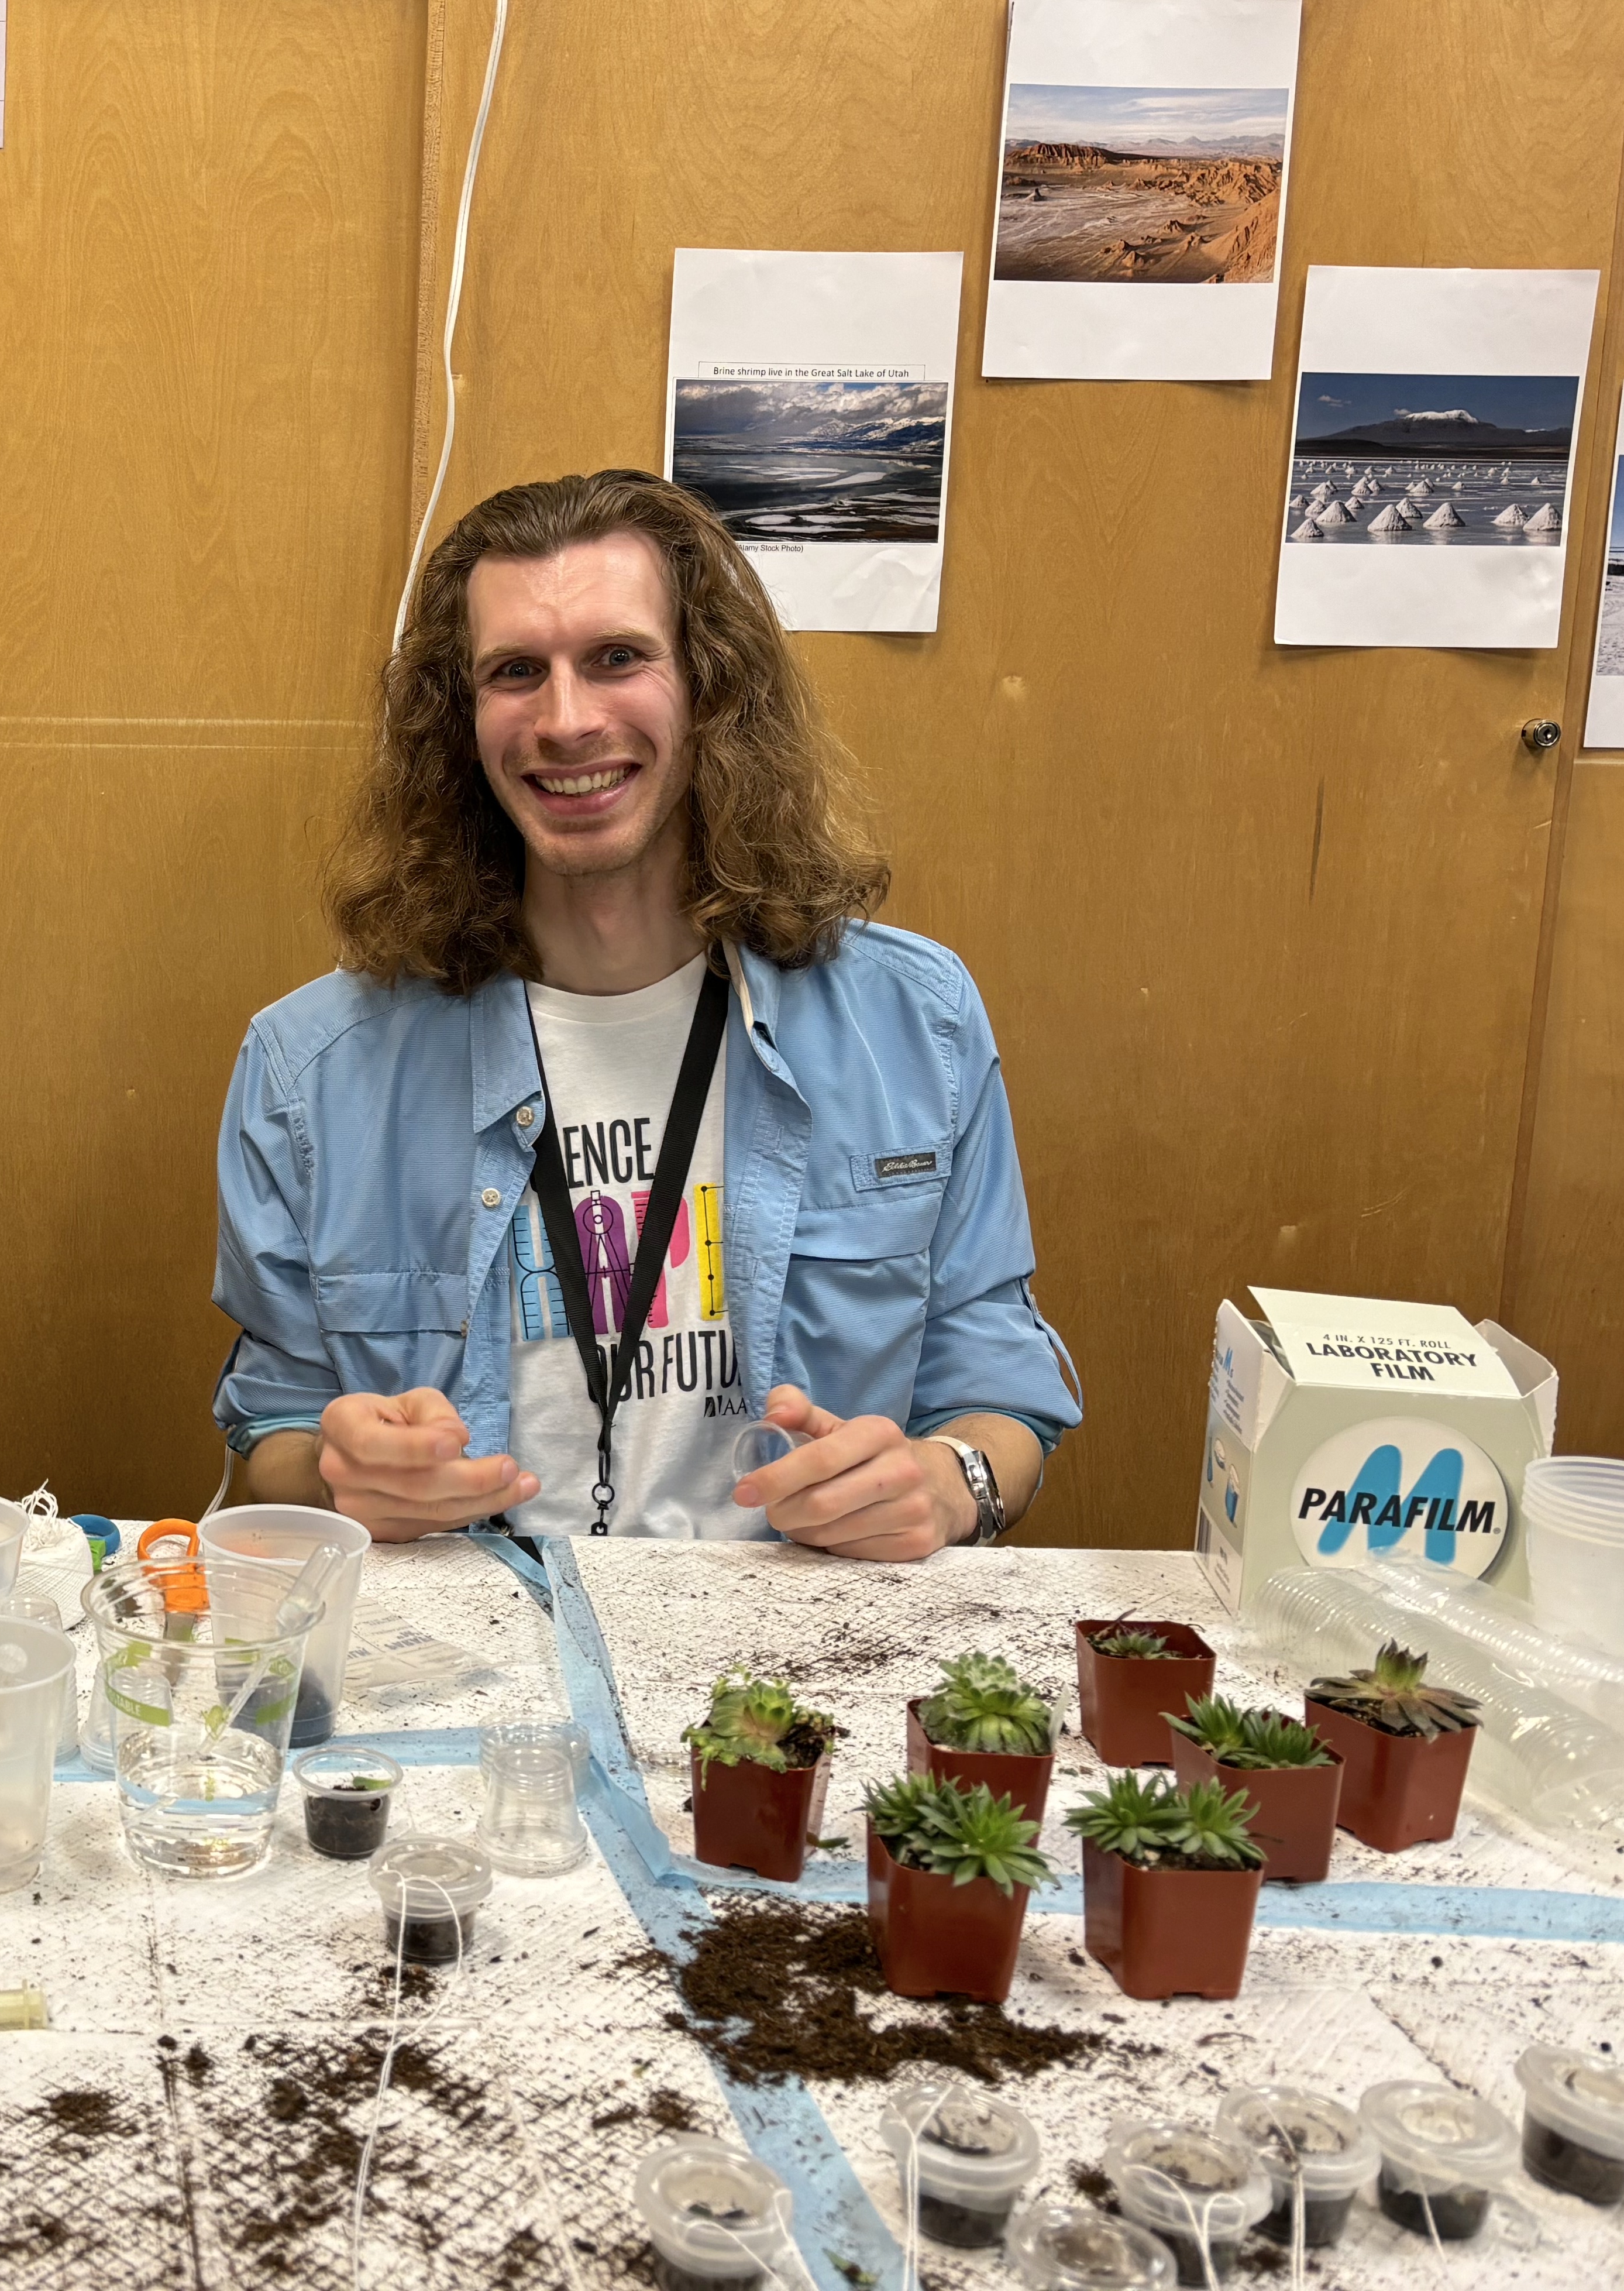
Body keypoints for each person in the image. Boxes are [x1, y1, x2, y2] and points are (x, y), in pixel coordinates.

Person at [213, 472, 1077, 1557]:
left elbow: (998, 1389)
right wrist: (336, 1479)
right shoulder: (310, 1071)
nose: (568, 721)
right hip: (472, 1662)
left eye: (618, 659)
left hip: (791, 1666)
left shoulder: (917, 1025)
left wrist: (946, 1488)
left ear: (710, 688)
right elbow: (275, 1424)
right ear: (460, 722)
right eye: (516, 672)